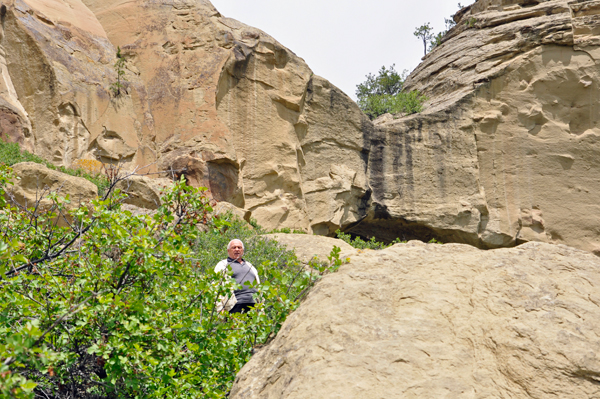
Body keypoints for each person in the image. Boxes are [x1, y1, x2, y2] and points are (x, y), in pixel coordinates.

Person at [214, 239, 260, 314]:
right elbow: (216, 287)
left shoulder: (250, 266)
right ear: (228, 250)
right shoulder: (222, 265)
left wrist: (262, 309)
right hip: (235, 306)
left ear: (243, 250)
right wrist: (219, 308)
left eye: (239, 247)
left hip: (254, 307)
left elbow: (258, 287)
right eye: (234, 247)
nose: (237, 249)